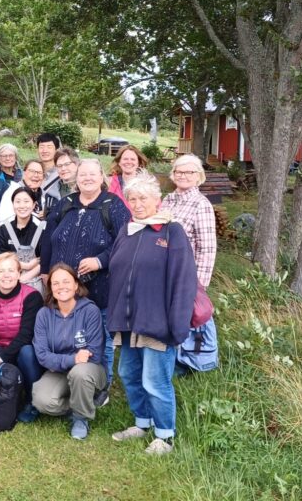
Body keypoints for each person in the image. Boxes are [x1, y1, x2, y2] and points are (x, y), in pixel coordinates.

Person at [107, 175, 197, 455]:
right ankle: (142, 422)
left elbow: (183, 280)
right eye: (132, 199)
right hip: (128, 322)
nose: (137, 204)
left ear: (157, 200)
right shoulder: (127, 230)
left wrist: (178, 324)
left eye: (143, 198)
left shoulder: (171, 231)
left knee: (155, 380)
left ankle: (165, 435)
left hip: (158, 322)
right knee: (128, 374)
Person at [40, 158, 131, 385]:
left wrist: (100, 260)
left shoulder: (113, 205)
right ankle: (67, 378)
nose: (87, 178)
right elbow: (48, 237)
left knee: (100, 337)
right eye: (83, 175)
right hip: (63, 287)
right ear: (76, 179)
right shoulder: (66, 203)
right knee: (67, 333)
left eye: (92, 174)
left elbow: (125, 242)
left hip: (98, 287)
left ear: (101, 178)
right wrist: (45, 270)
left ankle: (102, 384)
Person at [31, 264, 106, 440]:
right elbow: (42, 355)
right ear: (50, 288)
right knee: (42, 401)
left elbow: (94, 353)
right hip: (59, 371)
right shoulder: (44, 314)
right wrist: (73, 359)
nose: (61, 286)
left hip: (90, 370)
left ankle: (81, 418)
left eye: (66, 281)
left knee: (80, 373)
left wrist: (73, 362)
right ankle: (87, 402)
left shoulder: (90, 311)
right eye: (55, 283)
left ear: (76, 285)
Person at [159, 154, 219, 373]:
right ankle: (167, 360)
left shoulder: (201, 205)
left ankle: (188, 363)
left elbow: (207, 247)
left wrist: (199, 285)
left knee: (184, 318)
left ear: (198, 176)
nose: (183, 176)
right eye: (179, 171)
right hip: (163, 272)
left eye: (189, 172)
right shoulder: (168, 200)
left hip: (186, 276)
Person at [0, 253, 45, 423]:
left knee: (27, 352)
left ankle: (32, 401)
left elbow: (26, 335)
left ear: (19, 273)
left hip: (23, 350)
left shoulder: (32, 296)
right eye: (1, 271)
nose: (6, 275)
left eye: (11, 270)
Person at [0, 187, 44, 292]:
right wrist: (26, 265)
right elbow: (1, 258)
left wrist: (23, 279)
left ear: (34, 205)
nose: (22, 206)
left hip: (35, 281)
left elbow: (44, 260)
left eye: (26, 201)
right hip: (9, 280)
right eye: (18, 202)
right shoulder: (4, 228)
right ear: (13, 205)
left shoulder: (43, 227)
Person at [0, 159, 45, 226]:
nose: (36, 175)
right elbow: (5, 221)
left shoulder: (43, 198)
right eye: (32, 171)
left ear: (43, 177)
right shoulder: (13, 193)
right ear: (24, 174)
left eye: (39, 172)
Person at [41, 148, 79, 215]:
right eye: (59, 166)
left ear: (77, 164)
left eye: (67, 164)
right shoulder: (50, 193)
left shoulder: (86, 191)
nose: (63, 169)